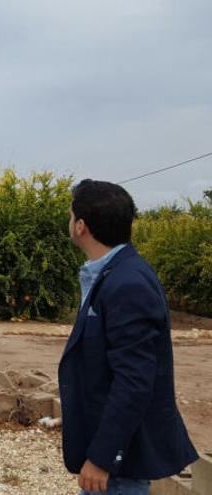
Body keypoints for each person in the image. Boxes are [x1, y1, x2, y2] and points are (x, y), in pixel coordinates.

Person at [59, 180, 197, 494]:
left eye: (70, 216)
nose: (69, 222)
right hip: (113, 459)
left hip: (121, 467)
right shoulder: (113, 273)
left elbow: (134, 381)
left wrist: (103, 457)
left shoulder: (127, 284)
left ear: (81, 226)